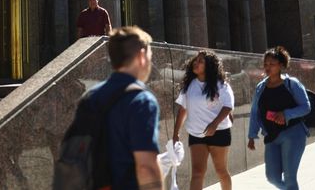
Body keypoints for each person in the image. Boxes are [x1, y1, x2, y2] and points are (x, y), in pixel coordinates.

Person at [87, 26, 162, 189]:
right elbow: (146, 167)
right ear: (142, 56)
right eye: (150, 55)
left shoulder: (91, 96)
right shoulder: (141, 101)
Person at [247, 46, 311, 190]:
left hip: (293, 133)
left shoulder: (291, 84)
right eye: (266, 64)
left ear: (281, 65)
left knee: (289, 177)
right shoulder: (261, 87)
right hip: (271, 135)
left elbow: (306, 107)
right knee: (272, 177)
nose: (267, 67)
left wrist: (286, 114)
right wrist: (252, 135)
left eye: (272, 64)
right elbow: (255, 111)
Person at [173, 51, 234, 190]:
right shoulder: (189, 86)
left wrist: (214, 124)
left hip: (219, 132)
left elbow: (228, 106)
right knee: (197, 173)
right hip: (196, 134)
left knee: (221, 171)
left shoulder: (221, 85)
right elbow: (183, 110)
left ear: (210, 66)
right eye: (195, 60)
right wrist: (175, 133)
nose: (196, 63)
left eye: (200, 61)